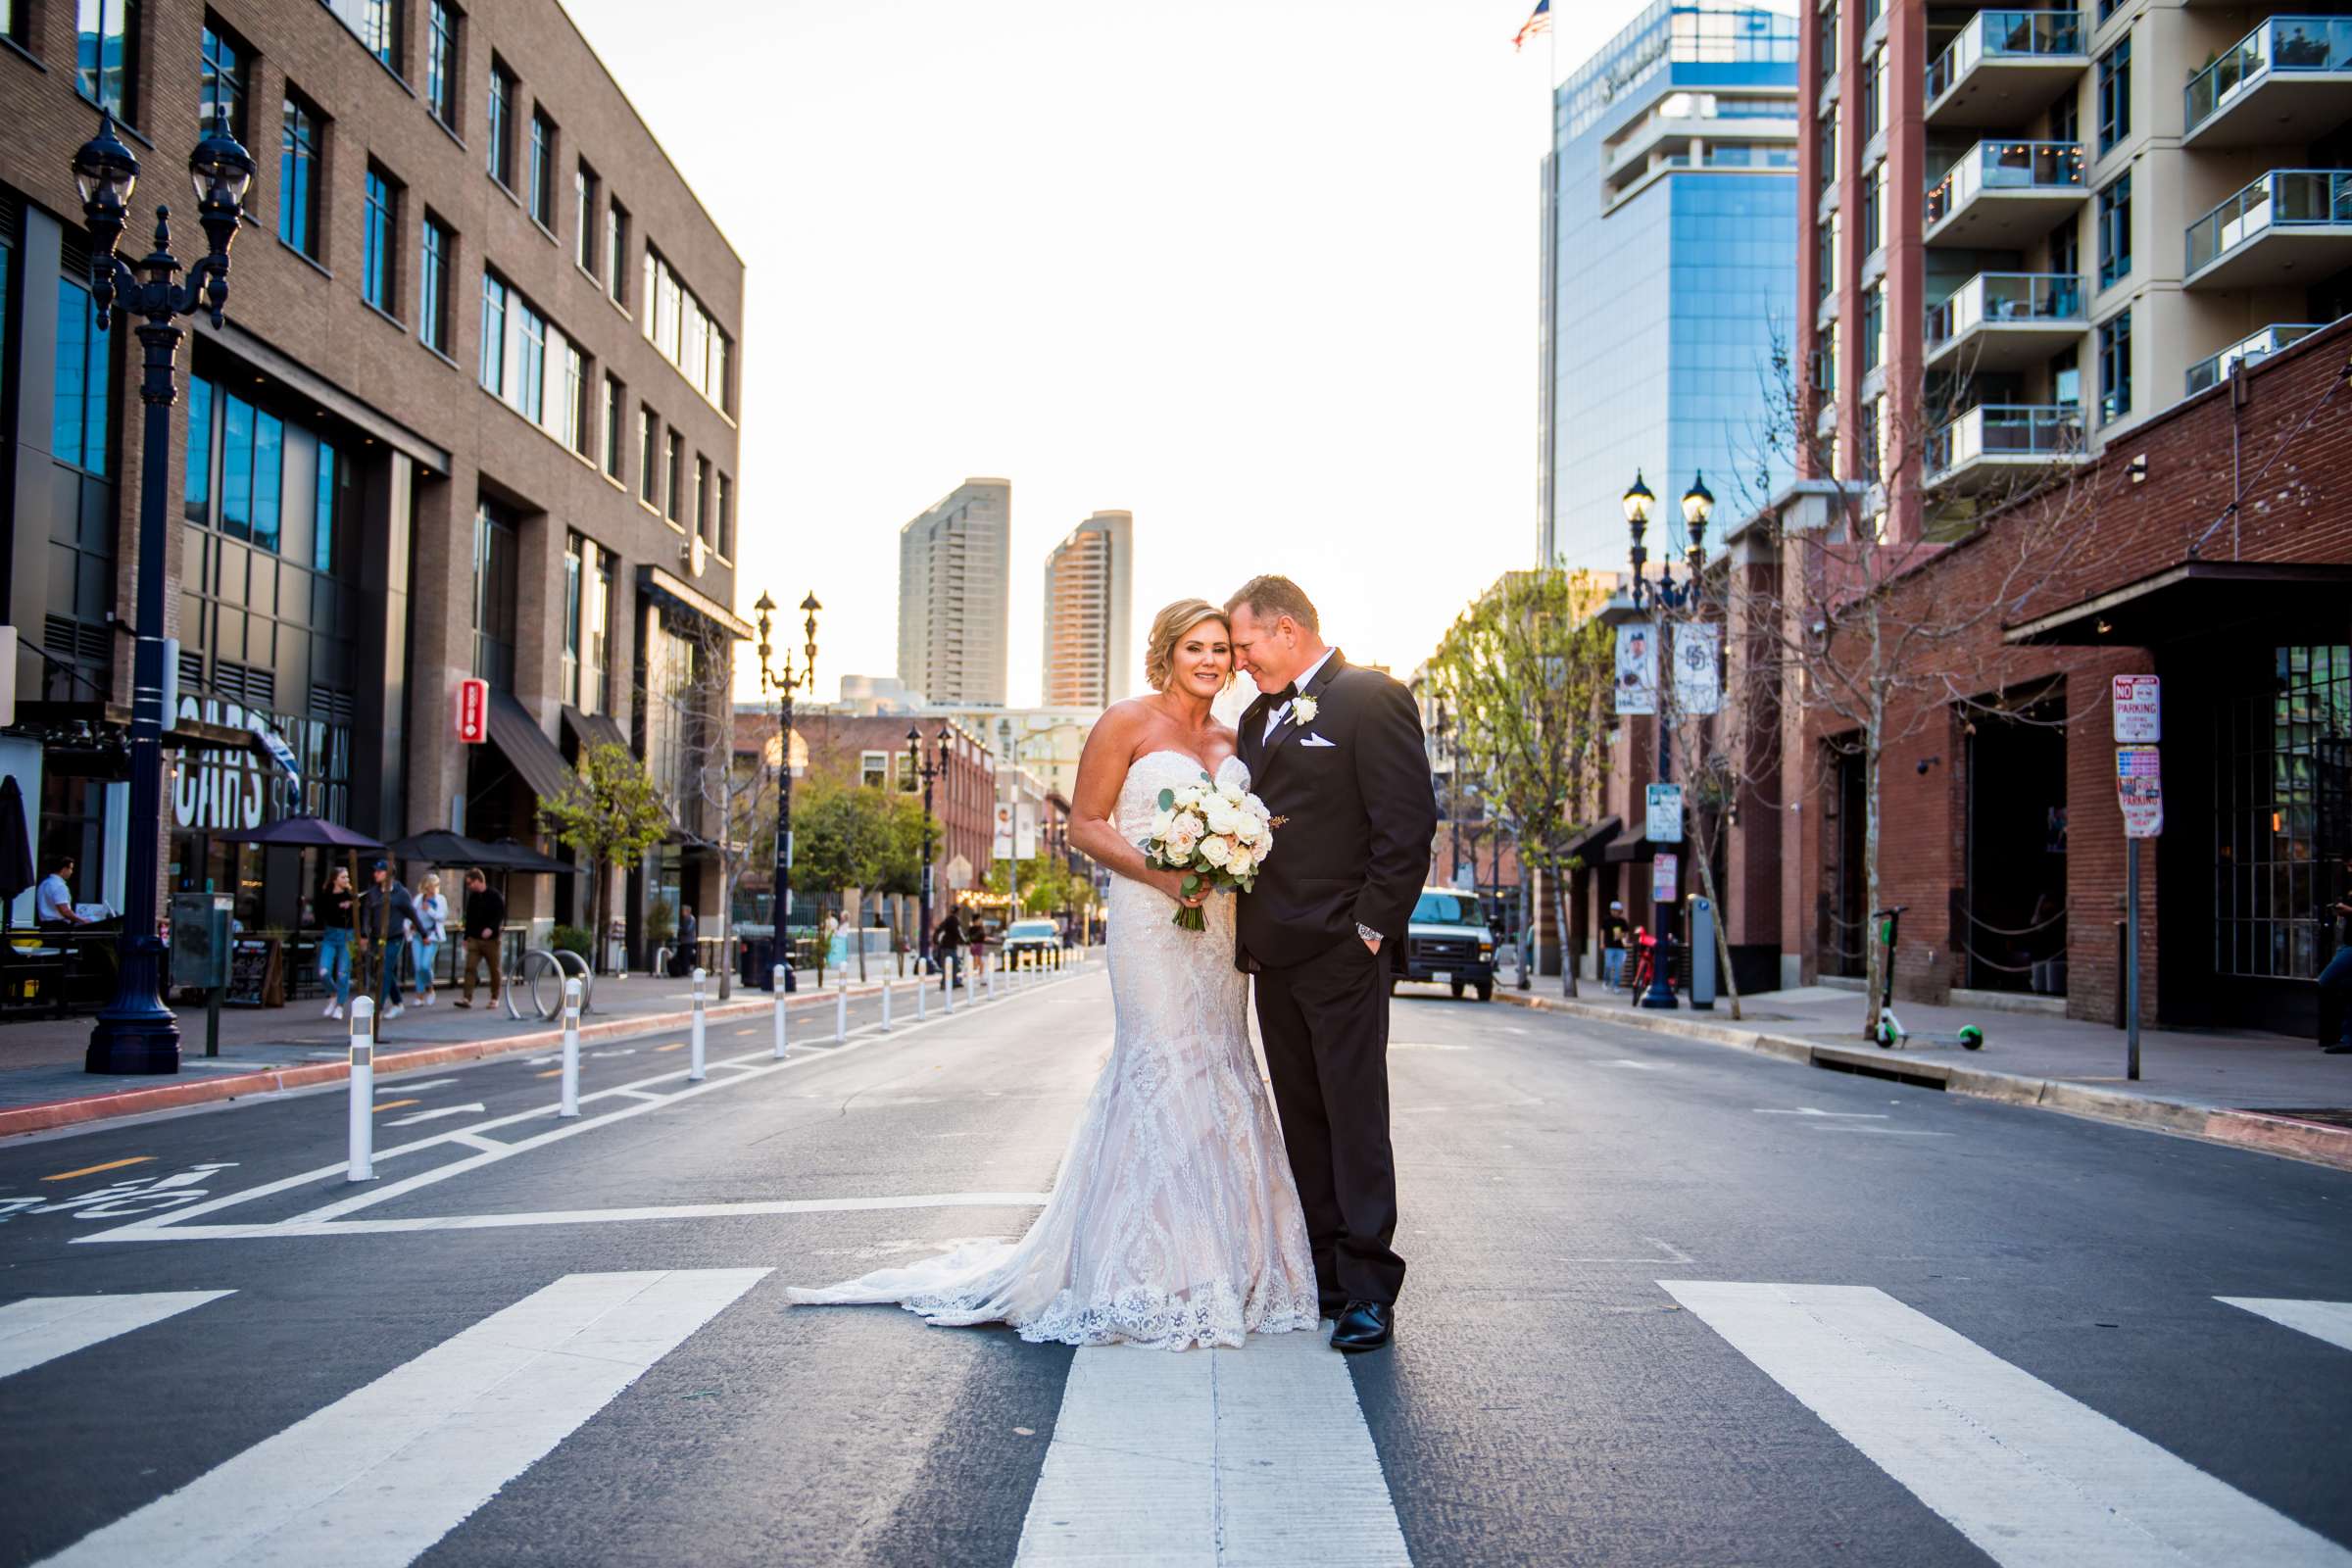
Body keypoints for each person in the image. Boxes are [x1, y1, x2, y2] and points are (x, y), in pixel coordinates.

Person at [790, 597, 1319, 1349]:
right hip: (1149, 921)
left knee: (1220, 1066)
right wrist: (1163, 875)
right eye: (1195, 647)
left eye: (1220, 650)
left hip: (1218, 931)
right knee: (1160, 1066)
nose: (1211, 660)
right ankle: (1141, 1270)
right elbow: (1085, 824)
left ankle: (1222, 1265)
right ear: (1166, 651)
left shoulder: (1238, 737)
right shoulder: (1127, 723)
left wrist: (1236, 854)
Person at [1225, 575, 1437, 1353]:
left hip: (1343, 952)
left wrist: (1370, 935)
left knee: (1354, 1118)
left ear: (1286, 629)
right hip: (1271, 953)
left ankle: (1370, 1290)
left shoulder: (1371, 697)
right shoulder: (1255, 717)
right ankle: (1322, 1274)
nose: (1241, 662)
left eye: (1246, 646)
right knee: (1303, 1119)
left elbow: (1407, 828)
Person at [356, 859, 422, 1021]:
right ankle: (398, 1003)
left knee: (384, 970)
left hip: (394, 937)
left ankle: (377, 1007)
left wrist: (424, 933)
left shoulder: (401, 893)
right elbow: (366, 915)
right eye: (375, 871)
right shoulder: (373, 893)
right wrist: (364, 935)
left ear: (389, 874)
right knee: (383, 970)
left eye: (380, 871)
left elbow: (412, 914)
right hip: (377, 937)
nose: (376, 874)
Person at [455, 869, 506, 1008]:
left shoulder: (495, 896)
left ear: (478, 880)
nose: (469, 886)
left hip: (492, 941)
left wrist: (491, 928)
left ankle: (494, 998)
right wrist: (466, 937)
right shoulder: (473, 897)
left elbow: (500, 915)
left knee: (494, 969)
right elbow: (469, 918)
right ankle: (467, 998)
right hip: (475, 939)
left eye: (470, 883)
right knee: (470, 967)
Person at [2321, 854, 2352, 1056]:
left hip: (2351, 948)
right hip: (2348, 943)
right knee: (2348, 991)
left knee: (2326, 979)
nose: (2349, 869)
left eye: (2350, 865)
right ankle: (2347, 1038)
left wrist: (2348, 910)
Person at [318, 866, 356, 1020]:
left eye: (347, 877)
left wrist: (351, 905)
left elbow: (357, 918)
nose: (346, 880)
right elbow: (323, 913)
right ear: (334, 879)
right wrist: (339, 907)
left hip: (348, 936)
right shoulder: (326, 894)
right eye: (343, 877)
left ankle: (340, 1005)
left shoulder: (351, 896)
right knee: (323, 971)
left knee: (343, 973)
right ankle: (333, 993)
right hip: (330, 935)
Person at [412, 873, 448, 1006]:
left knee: (425, 965)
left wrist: (430, 910)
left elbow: (442, 917)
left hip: (432, 936)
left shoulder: (441, 899)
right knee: (417, 966)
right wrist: (409, 926)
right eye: (430, 886)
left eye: (435, 886)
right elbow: (411, 914)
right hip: (417, 935)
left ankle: (430, 988)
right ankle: (419, 995)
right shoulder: (418, 899)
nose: (432, 889)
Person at [35, 855, 83, 930]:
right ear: (64, 869)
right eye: (70, 869)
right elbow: (65, 911)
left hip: (44, 926)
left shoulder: (44, 884)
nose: (72, 872)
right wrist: (83, 920)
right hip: (58, 927)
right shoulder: (59, 886)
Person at [932, 908, 964, 990]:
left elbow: (939, 929)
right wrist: (964, 941)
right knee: (953, 965)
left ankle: (949, 981)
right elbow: (958, 932)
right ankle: (949, 982)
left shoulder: (947, 920)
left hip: (945, 946)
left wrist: (936, 941)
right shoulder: (954, 920)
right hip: (949, 946)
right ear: (958, 912)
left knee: (950, 965)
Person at [1603, 900, 1632, 990]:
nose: (1616, 912)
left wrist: (1621, 935)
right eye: (1614, 910)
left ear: (1620, 911)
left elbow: (1626, 933)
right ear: (1611, 910)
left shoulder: (1623, 921)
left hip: (1620, 947)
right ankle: (1606, 981)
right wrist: (1602, 943)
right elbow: (1602, 931)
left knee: (1618, 967)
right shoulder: (1607, 920)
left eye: (1618, 910)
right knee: (1608, 965)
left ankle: (1616, 985)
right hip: (1609, 946)